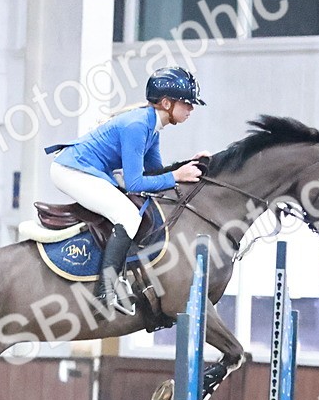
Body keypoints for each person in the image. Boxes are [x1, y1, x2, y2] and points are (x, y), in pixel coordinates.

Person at [44, 66, 206, 313]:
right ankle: (104, 293)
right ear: (166, 103)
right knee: (128, 215)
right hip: (71, 170)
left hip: (83, 169)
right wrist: (176, 176)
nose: (191, 109)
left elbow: (155, 173)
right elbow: (135, 184)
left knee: (130, 211)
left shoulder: (152, 128)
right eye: (186, 103)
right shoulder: (137, 126)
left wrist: (187, 166)